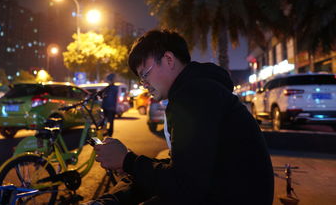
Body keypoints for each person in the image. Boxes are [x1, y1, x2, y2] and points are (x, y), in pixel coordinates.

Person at [83, 30, 274, 205]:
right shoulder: (200, 90)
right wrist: (130, 165)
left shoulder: (194, 96)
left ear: (168, 59)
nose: (144, 84)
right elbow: (185, 169)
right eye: (141, 79)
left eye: (145, 74)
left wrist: (127, 161)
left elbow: (184, 187)